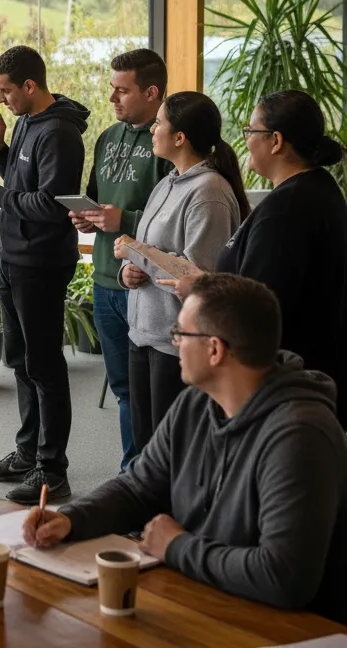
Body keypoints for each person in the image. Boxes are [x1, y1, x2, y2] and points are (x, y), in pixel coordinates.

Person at [22, 273, 347, 623]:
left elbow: (284, 577)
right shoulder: (195, 404)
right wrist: (72, 518)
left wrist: (176, 546)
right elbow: (138, 488)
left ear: (214, 349)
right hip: (206, 597)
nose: (174, 342)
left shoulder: (299, 435)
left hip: (283, 627)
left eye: (181, 333)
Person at [165, 90, 347, 425]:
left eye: (251, 131)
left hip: (283, 385)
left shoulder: (288, 210)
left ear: (276, 141)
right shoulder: (315, 188)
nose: (245, 139)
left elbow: (260, 305)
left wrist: (203, 289)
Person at [0, 44, 89, 504]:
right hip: (15, 257)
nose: (2, 99)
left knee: (44, 367)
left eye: (5, 91)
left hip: (41, 263)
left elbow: (52, 205)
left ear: (30, 85)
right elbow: (25, 183)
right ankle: (27, 453)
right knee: (20, 361)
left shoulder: (59, 132)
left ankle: (52, 471)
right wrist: (2, 149)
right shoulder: (26, 124)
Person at [115, 91, 248, 453]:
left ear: (180, 137)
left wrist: (136, 253)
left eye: (158, 123)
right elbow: (147, 249)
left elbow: (198, 277)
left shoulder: (209, 192)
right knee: (146, 448)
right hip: (143, 333)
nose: (152, 130)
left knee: (171, 453)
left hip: (177, 342)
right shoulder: (167, 182)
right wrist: (129, 270)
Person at [70, 49, 171, 470]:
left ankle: (152, 477)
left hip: (145, 283)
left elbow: (173, 213)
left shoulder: (169, 140)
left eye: (122, 90)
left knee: (154, 393)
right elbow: (98, 197)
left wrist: (124, 218)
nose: (112, 97)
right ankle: (132, 474)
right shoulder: (108, 137)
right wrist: (89, 216)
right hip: (105, 279)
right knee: (124, 390)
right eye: (112, 88)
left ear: (152, 93)